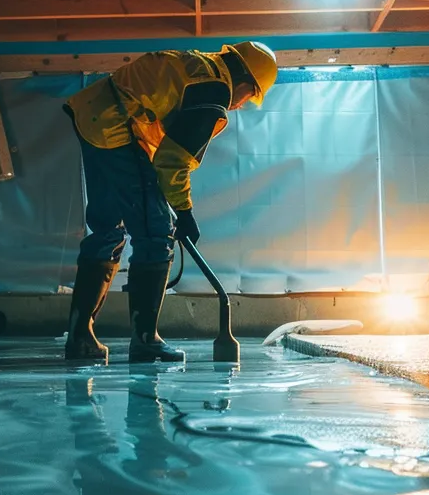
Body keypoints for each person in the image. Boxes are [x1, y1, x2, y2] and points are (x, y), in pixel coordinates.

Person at [60, 42, 279, 362]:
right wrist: (184, 212)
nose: (241, 104)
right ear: (245, 81)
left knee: (107, 229)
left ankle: (80, 338)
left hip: (94, 116)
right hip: (118, 125)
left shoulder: (199, 65)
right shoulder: (213, 94)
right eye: (249, 96)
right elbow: (172, 161)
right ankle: (146, 340)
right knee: (157, 233)